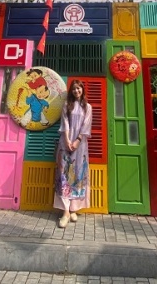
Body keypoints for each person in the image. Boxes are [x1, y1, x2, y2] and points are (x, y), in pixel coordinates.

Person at [53, 79, 92, 228]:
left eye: (79, 88)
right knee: (64, 175)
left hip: (80, 146)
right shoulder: (66, 106)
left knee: (77, 175)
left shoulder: (87, 107)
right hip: (65, 143)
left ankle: (73, 208)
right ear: (71, 91)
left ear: (82, 90)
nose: (76, 91)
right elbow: (65, 124)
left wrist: (77, 141)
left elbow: (86, 126)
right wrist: (68, 140)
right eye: (74, 89)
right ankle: (66, 212)